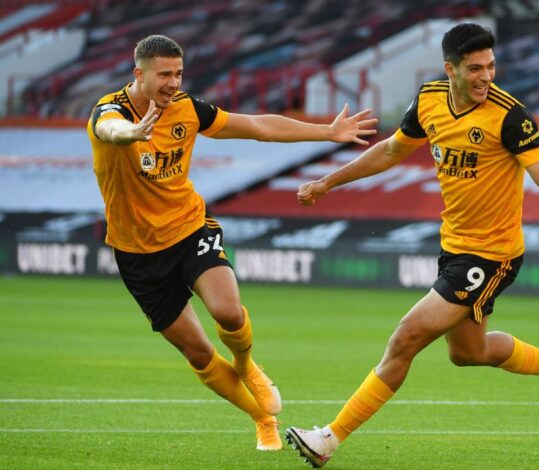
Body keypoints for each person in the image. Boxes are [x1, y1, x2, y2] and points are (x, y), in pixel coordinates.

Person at [284, 23, 539, 468]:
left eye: (492, 66)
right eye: (475, 68)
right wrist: (329, 181)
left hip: (492, 254)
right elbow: (391, 151)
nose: (487, 76)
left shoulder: (510, 116)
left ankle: (328, 439)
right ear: (451, 69)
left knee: (405, 339)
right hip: (455, 247)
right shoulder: (429, 100)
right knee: (469, 353)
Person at [86, 34, 377, 451]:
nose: (173, 82)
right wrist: (131, 133)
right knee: (199, 354)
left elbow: (258, 125)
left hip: (189, 229)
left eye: (178, 73)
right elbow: (108, 129)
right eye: (164, 74)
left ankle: (247, 365)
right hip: (137, 253)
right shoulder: (110, 111)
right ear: (139, 74)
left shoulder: (188, 109)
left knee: (228, 311)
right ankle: (262, 419)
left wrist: (326, 132)